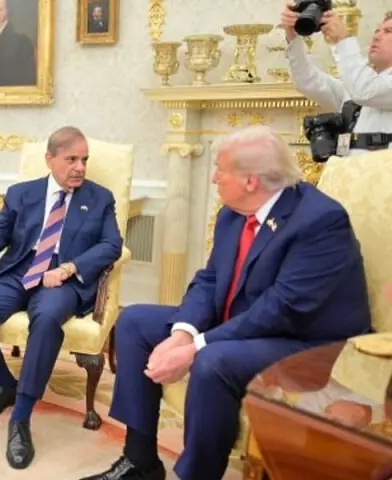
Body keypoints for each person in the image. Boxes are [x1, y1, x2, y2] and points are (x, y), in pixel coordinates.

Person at [79, 125, 372, 480]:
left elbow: (283, 308)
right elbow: (211, 280)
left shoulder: (319, 220)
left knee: (212, 360)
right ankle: (140, 462)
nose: (214, 178)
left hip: (308, 343)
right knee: (135, 322)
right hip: (249, 324)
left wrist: (197, 346)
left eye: (220, 169)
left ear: (250, 180)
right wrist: (183, 333)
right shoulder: (233, 213)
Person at [0, 126, 122, 469]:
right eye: (71, 159)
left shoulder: (100, 198)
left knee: (46, 320)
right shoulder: (21, 194)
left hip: (61, 279)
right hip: (19, 272)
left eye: (84, 160)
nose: (80, 167)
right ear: (50, 159)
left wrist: (69, 269)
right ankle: (5, 384)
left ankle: (20, 416)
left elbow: (111, 245)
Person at [282, 3, 392, 156]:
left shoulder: (364, 85)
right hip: (348, 169)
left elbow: (365, 91)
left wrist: (343, 40)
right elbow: (308, 81)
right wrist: (293, 37)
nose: (377, 36)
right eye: (377, 31)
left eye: (388, 31)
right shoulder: (360, 83)